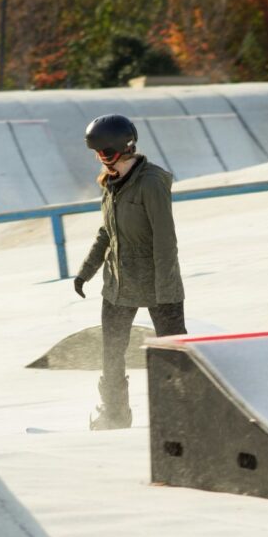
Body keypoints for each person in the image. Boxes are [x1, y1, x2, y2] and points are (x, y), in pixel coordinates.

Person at [74, 114, 187, 430]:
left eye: (102, 152)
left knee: (173, 353)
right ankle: (115, 414)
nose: (98, 158)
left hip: (156, 283)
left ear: (118, 149)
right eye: (95, 153)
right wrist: (86, 271)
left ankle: (181, 414)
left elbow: (166, 241)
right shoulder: (111, 183)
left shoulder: (151, 183)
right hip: (119, 284)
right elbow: (106, 232)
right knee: (111, 353)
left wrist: (166, 294)